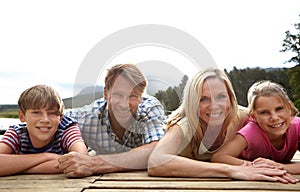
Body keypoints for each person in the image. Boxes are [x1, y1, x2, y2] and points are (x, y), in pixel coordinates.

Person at [148, 68, 297, 184]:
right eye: (204, 99)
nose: (214, 106)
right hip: (150, 144)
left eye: (221, 96)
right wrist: (232, 170)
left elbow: (280, 125)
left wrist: (276, 167)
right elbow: (156, 163)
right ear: (193, 103)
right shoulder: (184, 126)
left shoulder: (245, 117)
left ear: (231, 98)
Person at [58, 64, 166, 177]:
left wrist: (94, 164)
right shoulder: (87, 117)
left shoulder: (150, 108)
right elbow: (52, 117)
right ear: (105, 93)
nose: (124, 105)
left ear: (141, 97)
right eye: (118, 95)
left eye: (132, 96)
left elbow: (157, 149)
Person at [211, 80, 300, 177]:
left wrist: (281, 167)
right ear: (253, 116)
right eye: (264, 112)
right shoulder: (251, 132)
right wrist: (256, 166)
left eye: (279, 109)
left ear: (289, 108)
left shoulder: (297, 126)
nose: (274, 118)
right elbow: (219, 157)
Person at [0, 85, 87, 176]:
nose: (45, 119)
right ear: (22, 116)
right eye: (36, 112)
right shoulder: (17, 132)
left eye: (52, 113)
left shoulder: (66, 129)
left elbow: (82, 161)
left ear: (60, 118)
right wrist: (46, 156)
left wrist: (14, 167)